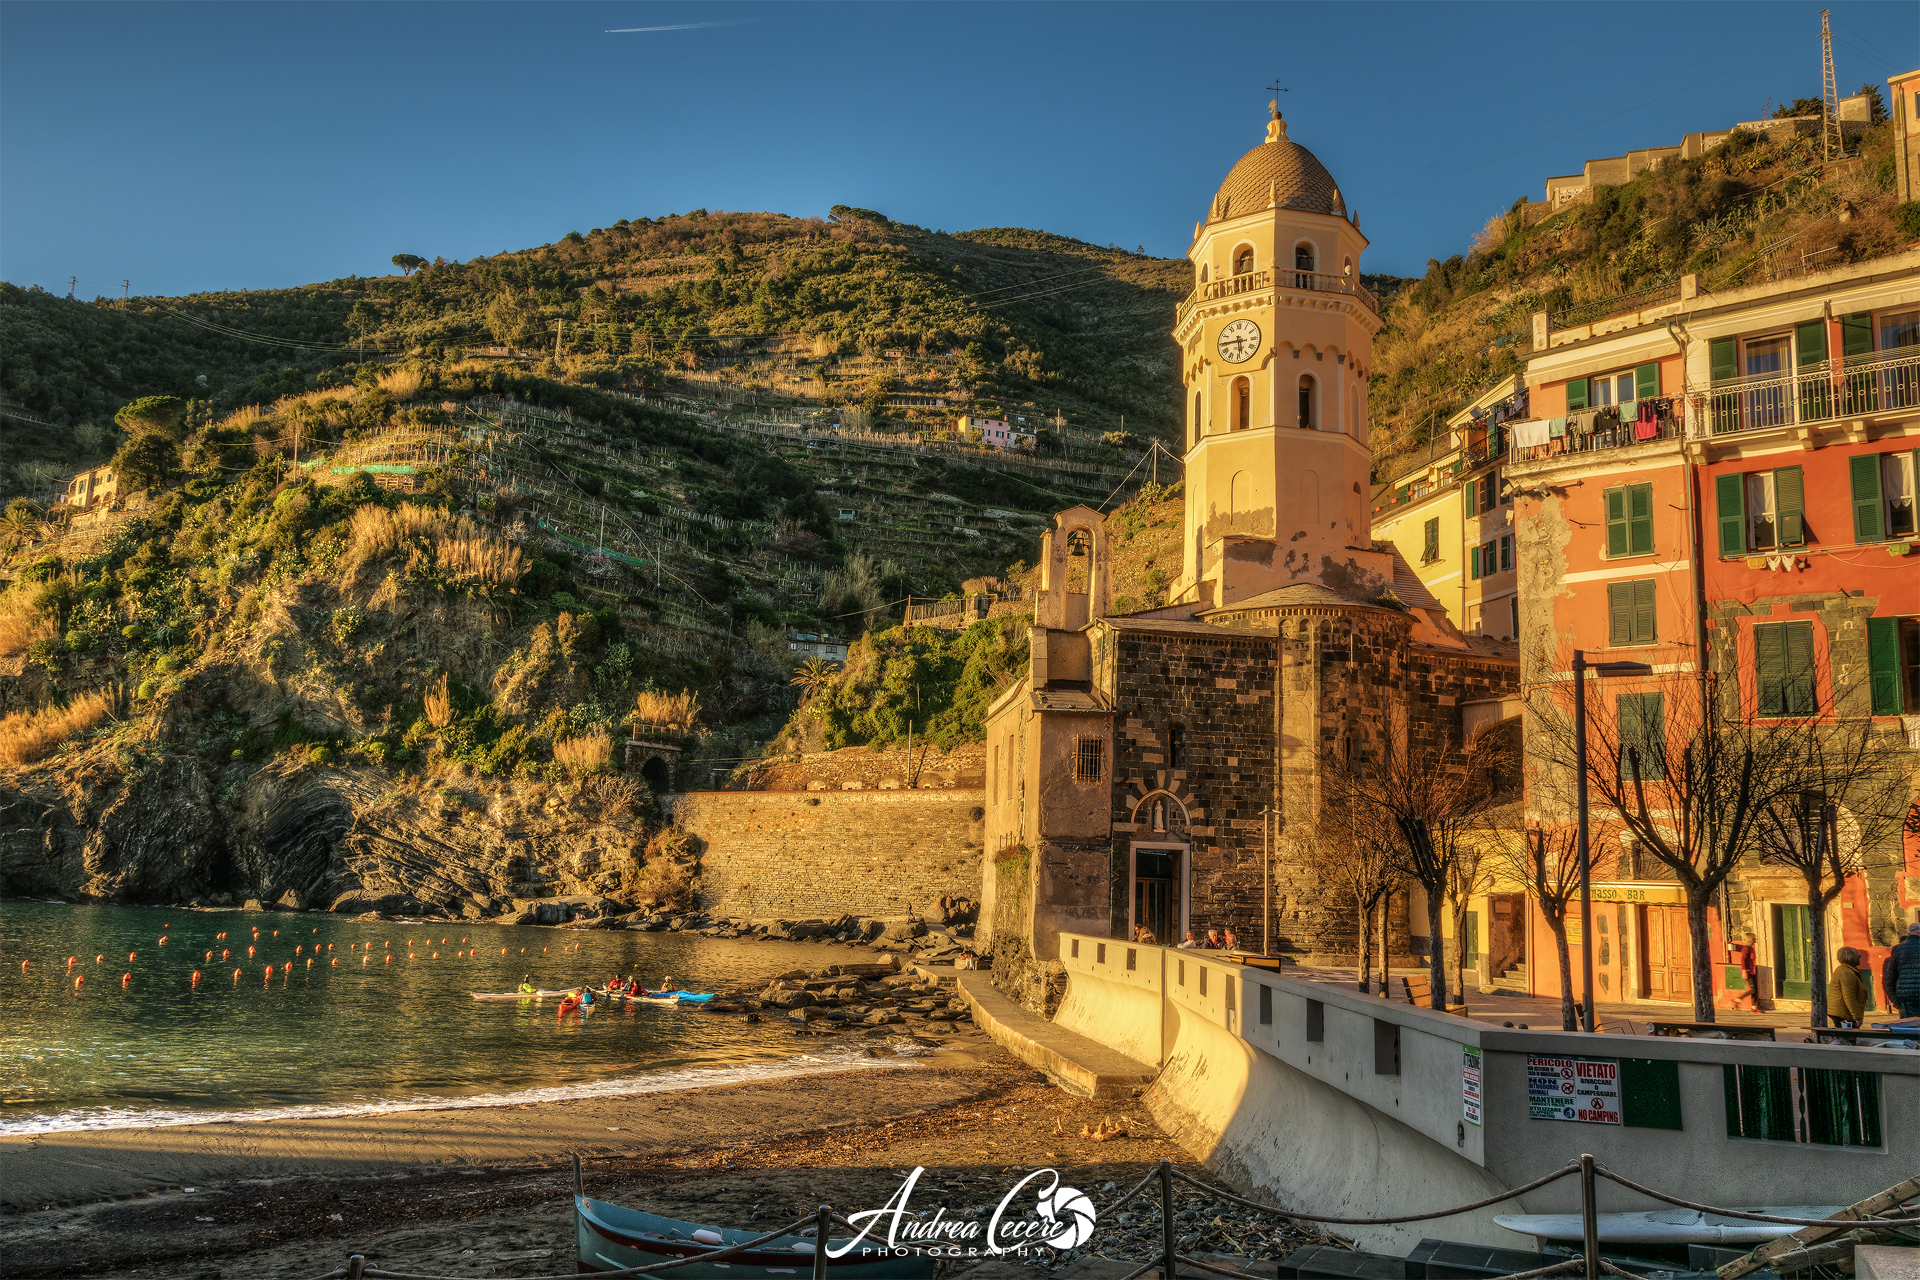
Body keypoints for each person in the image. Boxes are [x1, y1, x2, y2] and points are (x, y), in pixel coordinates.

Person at [1885, 923, 1920, 1019]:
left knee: (1909, 1029)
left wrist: (1896, 1002)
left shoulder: (1898, 949)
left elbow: (1889, 978)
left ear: (1909, 933)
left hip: (1906, 999)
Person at [1828, 947, 1868, 1028]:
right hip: (1842, 1012)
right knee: (1847, 1037)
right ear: (1851, 957)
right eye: (1858, 956)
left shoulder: (1847, 970)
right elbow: (1849, 996)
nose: (1860, 958)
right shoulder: (1846, 973)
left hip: (1840, 1011)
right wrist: (1856, 1016)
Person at [1727, 931, 1761, 1012]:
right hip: (1747, 971)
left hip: (1751, 971)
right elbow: (1743, 959)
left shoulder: (1751, 948)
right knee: (1753, 990)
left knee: (1755, 990)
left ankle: (1754, 1008)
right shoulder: (1746, 949)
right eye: (1753, 939)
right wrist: (1745, 971)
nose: (1755, 940)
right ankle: (1737, 999)